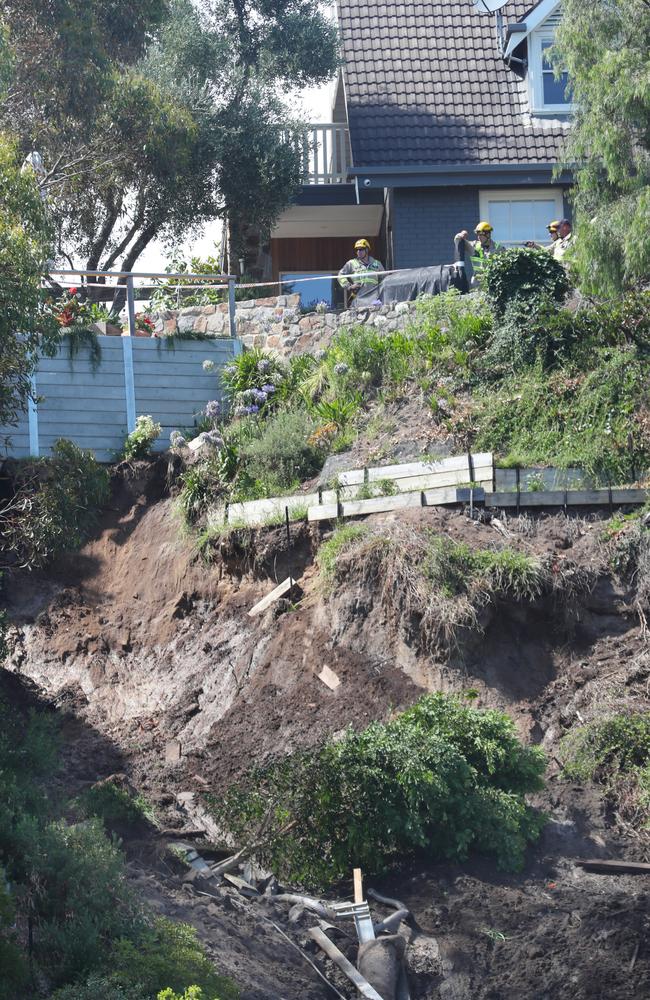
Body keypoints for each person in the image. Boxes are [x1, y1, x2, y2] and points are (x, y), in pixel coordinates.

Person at [454, 222, 503, 286]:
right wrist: (462, 234)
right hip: (476, 284)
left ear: (488, 234)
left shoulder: (498, 249)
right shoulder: (474, 246)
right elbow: (457, 240)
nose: (479, 237)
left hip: (493, 284)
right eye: (478, 235)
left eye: (481, 235)